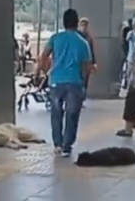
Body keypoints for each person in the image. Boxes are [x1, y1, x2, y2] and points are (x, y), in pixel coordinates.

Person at [37, 9, 91, 157]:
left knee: (56, 113)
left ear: (63, 22)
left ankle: (57, 144)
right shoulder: (83, 42)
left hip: (56, 81)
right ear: (76, 22)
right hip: (75, 82)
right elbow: (86, 66)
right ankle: (67, 146)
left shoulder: (55, 38)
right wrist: (83, 81)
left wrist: (45, 70)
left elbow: (43, 56)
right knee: (72, 114)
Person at [78, 17, 96, 98]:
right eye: (82, 24)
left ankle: (82, 96)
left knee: (85, 80)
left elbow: (92, 51)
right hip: (78, 62)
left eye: (85, 25)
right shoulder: (77, 37)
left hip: (87, 62)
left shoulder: (89, 38)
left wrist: (94, 63)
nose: (84, 27)